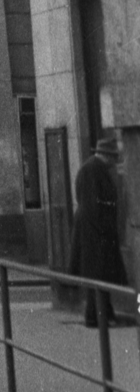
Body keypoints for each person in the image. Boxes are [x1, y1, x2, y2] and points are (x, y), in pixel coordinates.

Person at [69, 134, 129, 327]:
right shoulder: (93, 170)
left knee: (101, 276)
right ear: (107, 156)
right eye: (113, 157)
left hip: (94, 232)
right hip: (94, 234)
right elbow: (94, 206)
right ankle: (95, 318)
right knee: (97, 275)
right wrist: (106, 230)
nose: (114, 162)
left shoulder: (94, 169)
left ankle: (104, 314)